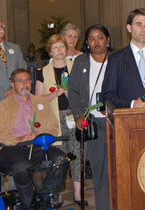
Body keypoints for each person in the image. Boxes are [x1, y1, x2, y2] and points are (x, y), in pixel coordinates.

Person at [0, 69, 65, 208]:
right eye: (20, 81)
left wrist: (40, 136)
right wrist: (19, 138)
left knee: (60, 159)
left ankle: (47, 199)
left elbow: (53, 127)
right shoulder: (3, 106)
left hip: (38, 145)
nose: (24, 83)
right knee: (23, 167)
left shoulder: (41, 103)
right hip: (13, 147)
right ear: (13, 85)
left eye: (27, 80)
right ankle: (27, 204)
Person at [35, 34, 87, 207]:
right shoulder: (42, 72)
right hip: (55, 119)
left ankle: (78, 194)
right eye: (55, 47)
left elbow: (85, 91)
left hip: (75, 116)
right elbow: (38, 101)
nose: (59, 50)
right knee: (59, 157)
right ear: (50, 51)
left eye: (62, 47)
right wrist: (55, 94)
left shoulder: (77, 67)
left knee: (77, 153)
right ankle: (57, 194)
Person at [68, 24, 113, 210]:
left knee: (119, 168)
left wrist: (113, 106)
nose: (96, 42)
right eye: (92, 38)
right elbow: (73, 91)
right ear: (86, 42)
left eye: (100, 37)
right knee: (100, 171)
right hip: (93, 123)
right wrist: (79, 114)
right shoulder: (81, 62)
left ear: (107, 39)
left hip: (115, 121)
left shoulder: (118, 59)